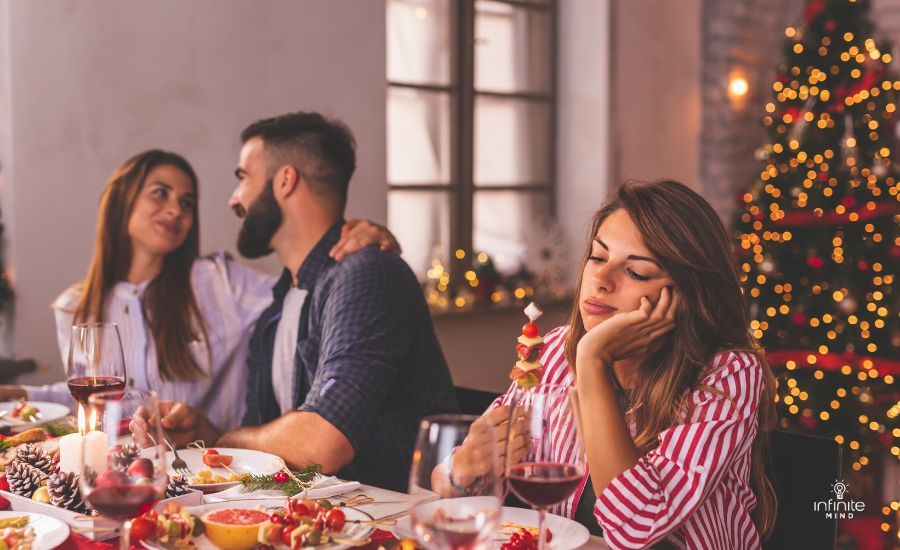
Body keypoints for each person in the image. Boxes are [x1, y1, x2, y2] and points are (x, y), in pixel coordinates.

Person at [132, 112, 459, 492]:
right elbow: (268, 436)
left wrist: (225, 441)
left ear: (285, 180)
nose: (233, 199)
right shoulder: (280, 299)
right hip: (313, 519)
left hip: (396, 525)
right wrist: (205, 433)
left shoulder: (368, 275)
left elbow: (320, 444)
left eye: (243, 178)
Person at [441, 180, 777, 549]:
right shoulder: (552, 350)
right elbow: (453, 482)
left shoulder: (730, 373)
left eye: (637, 272)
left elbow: (639, 526)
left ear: (687, 296)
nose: (600, 279)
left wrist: (593, 361)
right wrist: (465, 469)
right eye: (598, 258)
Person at [0, 150, 397, 432]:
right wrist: (12, 393)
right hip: (120, 474)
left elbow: (308, 286)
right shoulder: (75, 307)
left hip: (211, 478)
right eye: (161, 193)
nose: (176, 209)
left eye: (186, 202)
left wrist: (366, 242)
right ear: (121, 200)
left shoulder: (219, 282)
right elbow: (87, 395)